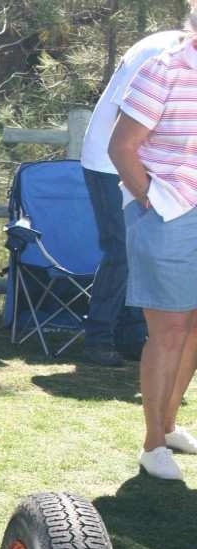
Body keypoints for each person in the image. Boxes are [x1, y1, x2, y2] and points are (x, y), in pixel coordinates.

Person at [109, 27, 197, 480]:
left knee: (194, 328)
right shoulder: (164, 69)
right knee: (169, 329)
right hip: (168, 210)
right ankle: (152, 445)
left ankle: (168, 425)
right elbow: (121, 147)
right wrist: (151, 199)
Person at [80, 28, 188, 366]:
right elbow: (127, 118)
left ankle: (130, 337)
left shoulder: (173, 47)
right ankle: (98, 337)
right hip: (110, 162)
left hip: (140, 165)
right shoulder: (164, 54)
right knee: (121, 251)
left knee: (141, 252)